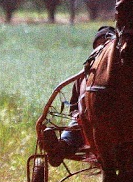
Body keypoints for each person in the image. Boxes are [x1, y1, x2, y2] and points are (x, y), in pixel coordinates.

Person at [41, 26, 116, 166]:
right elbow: (74, 107)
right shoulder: (83, 77)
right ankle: (59, 149)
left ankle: (62, 146)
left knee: (76, 129)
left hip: (112, 128)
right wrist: (79, 115)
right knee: (75, 128)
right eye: (99, 46)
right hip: (86, 124)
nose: (103, 49)